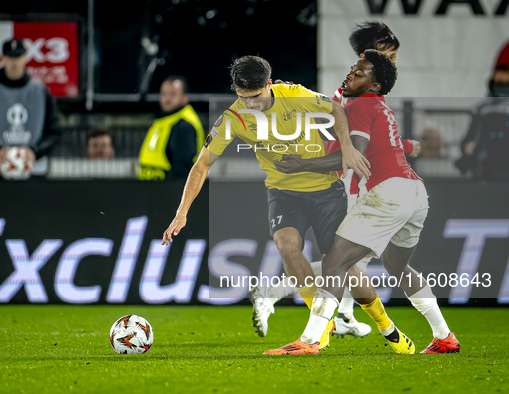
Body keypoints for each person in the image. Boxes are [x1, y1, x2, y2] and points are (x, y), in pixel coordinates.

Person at [162, 55, 412, 354]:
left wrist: (347, 148)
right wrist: (181, 212)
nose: (250, 105)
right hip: (283, 193)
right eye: (243, 98)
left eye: (256, 97)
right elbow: (201, 166)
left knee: (343, 267)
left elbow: (336, 109)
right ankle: (321, 327)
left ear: (269, 84)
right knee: (287, 246)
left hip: (325, 190)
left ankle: (388, 328)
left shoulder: (294, 94)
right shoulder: (233, 118)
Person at [266, 50, 459, 355]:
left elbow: (351, 155)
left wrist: (300, 165)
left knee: (335, 262)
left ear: (375, 85)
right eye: (352, 69)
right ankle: (444, 337)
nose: (350, 75)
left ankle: (311, 340)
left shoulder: (360, 105)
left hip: (388, 193)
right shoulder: (377, 107)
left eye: (359, 73)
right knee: (399, 266)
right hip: (415, 193)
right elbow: (337, 128)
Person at [251, 21, 420, 340]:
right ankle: (273, 293)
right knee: (349, 258)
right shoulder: (357, 93)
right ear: (368, 53)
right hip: (351, 186)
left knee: (354, 258)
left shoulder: (355, 89)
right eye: (390, 54)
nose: (394, 62)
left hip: (352, 183)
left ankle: (341, 315)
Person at [0, 38, 60, 178]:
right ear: (3, 59)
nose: (14, 62)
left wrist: (35, 152)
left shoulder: (41, 92)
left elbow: (55, 131)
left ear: (25, 58)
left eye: (18, 57)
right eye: (10, 58)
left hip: (35, 171)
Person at [456, 40, 509, 181]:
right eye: (499, 81)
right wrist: (468, 148)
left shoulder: (482, 109)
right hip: (486, 168)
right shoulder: (482, 110)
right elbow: (469, 138)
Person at [138, 76, 205, 180]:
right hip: (155, 189)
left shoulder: (184, 126)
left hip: (168, 191)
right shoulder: (166, 121)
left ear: (185, 98)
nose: (167, 99)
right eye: (164, 94)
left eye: (173, 94)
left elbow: (182, 171)